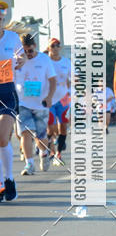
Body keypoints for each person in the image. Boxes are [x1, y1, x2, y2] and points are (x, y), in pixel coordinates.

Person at [15, 34, 56, 175]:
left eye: (30, 51)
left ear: (35, 47)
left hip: (41, 103)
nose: (28, 54)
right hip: (22, 103)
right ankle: (29, 164)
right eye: (25, 51)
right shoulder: (16, 60)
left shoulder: (44, 60)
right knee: (26, 133)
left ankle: (44, 152)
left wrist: (50, 97)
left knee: (40, 136)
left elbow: (52, 80)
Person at [0, 3, 23, 201]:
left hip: (7, 91)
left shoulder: (12, 38)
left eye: (2, 12)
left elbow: (21, 56)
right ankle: (0, 183)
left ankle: (8, 178)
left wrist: (21, 60)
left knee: (2, 137)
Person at [46, 37, 70, 165]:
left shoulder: (66, 62)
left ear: (60, 47)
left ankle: (58, 153)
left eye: (57, 45)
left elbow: (73, 78)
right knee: (51, 128)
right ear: (48, 48)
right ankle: (51, 148)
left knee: (63, 127)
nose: (55, 48)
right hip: (49, 98)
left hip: (63, 98)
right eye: (53, 45)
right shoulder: (45, 61)